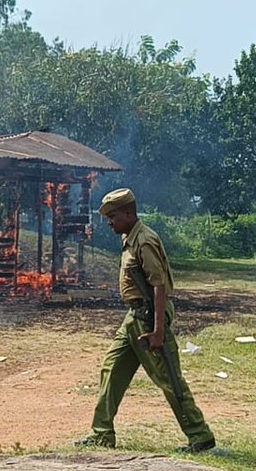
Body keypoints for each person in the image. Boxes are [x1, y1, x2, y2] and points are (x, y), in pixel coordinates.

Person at [76, 188, 216, 453]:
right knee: (111, 369)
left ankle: (201, 437)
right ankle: (101, 434)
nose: (109, 222)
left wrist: (158, 330)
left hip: (149, 317)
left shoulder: (145, 240)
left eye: (113, 216)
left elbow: (158, 285)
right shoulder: (129, 238)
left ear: (129, 213)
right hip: (134, 316)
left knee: (168, 377)